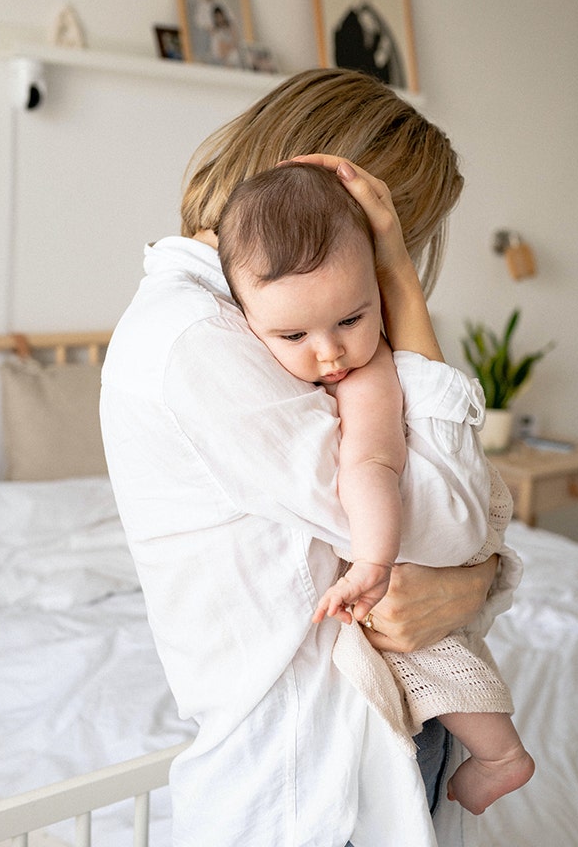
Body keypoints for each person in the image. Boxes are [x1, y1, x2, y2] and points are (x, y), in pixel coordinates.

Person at [100, 68, 522, 846]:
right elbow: (452, 522)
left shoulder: (268, 324)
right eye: (399, 231)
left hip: (378, 739)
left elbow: (436, 522)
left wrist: (474, 581)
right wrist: (399, 280)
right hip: (306, 784)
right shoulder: (199, 340)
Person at [217, 161, 534, 816]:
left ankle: (502, 755)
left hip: (404, 560)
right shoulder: (221, 356)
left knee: (433, 657)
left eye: (353, 319)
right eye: (293, 335)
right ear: (242, 318)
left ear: (378, 296)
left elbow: (371, 468)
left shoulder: (365, 378)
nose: (331, 352)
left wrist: (373, 562)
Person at [333, 0, 406, 87]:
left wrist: (382, 53)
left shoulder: (374, 16)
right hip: (360, 70)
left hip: (375, 74)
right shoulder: (351, 19)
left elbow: (382, 41)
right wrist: (375, 59)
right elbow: (345, 45)